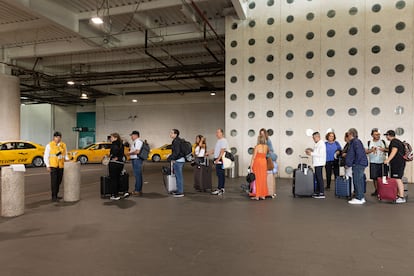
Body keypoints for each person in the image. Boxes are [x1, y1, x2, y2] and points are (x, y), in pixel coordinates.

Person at [345, 128, 368, 205]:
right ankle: (361, 197)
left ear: (351, 134)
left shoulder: (354, 142)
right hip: (361, 163)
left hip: (358, 164)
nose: (347, 135)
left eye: (348, 134)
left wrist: (348, 164)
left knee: (357, 181)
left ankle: (359, 198)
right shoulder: (357, 141)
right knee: (360, 181)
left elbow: (352, 154)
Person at [44, 131, 68, 202]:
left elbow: (65, 154)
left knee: (59, 181)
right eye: (56, 137)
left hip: (61, 166)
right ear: (54, 137)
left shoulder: (63, 145)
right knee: (54, 181)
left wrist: (68, 160)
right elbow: (46, 156)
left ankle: (56, 194)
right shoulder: (49, 145)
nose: (58, 139)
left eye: (59, 137)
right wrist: (47, 165)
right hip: (53, 165)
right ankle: (53, 196)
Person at [384, 130, 406, 203]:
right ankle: (399, 195)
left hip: (397, 163)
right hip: (399, 163)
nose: (386, 137)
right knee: (396, 178)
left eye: (386, 135)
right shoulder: (398, 141)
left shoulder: (394, 142)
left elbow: (394, 150)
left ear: (389, 135)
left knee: (397, 179)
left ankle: (402, 197)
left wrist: (388, 159)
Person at [365, 128, 388, 196]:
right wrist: (372, 150)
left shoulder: (383, 142)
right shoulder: (369, 142)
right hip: (373, 162)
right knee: (374, 178)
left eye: (378, 134)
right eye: (376, 134)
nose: (378, 136)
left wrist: (384, 149)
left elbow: (389, 149)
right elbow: (366, 151)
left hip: (382, 162)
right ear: (372, 135)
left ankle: (383, 190)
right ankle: (377, 190)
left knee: (383, 177)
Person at [305, 131, 326, 199]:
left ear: (318, 137)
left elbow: (320, 154)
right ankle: (318, 191)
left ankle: (321, 192)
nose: (313, 139)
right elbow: (316, 153)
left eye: (314, 138)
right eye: (313, 138)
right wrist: (311, 153)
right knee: (317, 177)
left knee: (319, 177)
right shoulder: (317, 144)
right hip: (317, 163)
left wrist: (311, 153)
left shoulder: (321, 144)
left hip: (319, 163)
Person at [208, 128, 229, 195]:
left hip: (220, 159)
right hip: (218, 159)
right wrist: (209, 152)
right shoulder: (219, 141)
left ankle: (220, 189)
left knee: (220, 174)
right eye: (216, 132)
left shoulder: (223, 140)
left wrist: (218, 159)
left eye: (218, 132)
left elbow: (222, 150)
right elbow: (216, 150)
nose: (216, 134)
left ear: (221, 133)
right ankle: (220, 188)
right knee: (219, 174)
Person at [108, 133, 127, 200]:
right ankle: (117, 193)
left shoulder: (114, 144)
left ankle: (114, 195)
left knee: (113, 179)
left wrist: (111, 156)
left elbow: (113, 154)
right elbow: (121, 154)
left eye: (111, 137)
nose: (110, 138)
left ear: (115, 138)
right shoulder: (121, 144)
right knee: (118, 178)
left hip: (114, 164)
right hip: (120, 163)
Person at [167, 129, 185, 198]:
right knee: (178, 176)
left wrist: (170, 158)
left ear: (175, 134)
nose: (170, 134)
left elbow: (176, 152)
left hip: (178, 161)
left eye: (171, 133)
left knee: (179, 176)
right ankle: (179, 190)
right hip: (180, 160)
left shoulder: (176, 141)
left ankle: (180, 192)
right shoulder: (178, 140)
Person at [249, 134, 269, 200]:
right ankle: (262, 195)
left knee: (257, 179)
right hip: (264, 162)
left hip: (258, 163)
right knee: (263, 178)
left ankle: (257, 196)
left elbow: (253, 157)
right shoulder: (266, 147)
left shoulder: (257, 147)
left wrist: (251, 166)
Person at [129, 130, 144, 197]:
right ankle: (138, 190)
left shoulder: (138, 141)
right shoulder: (136, 141)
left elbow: (137, 151)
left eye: (132, 135)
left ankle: (137, 190)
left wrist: (129, 153)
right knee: (138, 175)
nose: (131, 137)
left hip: (137, 160)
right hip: (136, 160)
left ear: (136, 135)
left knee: (137, 175)